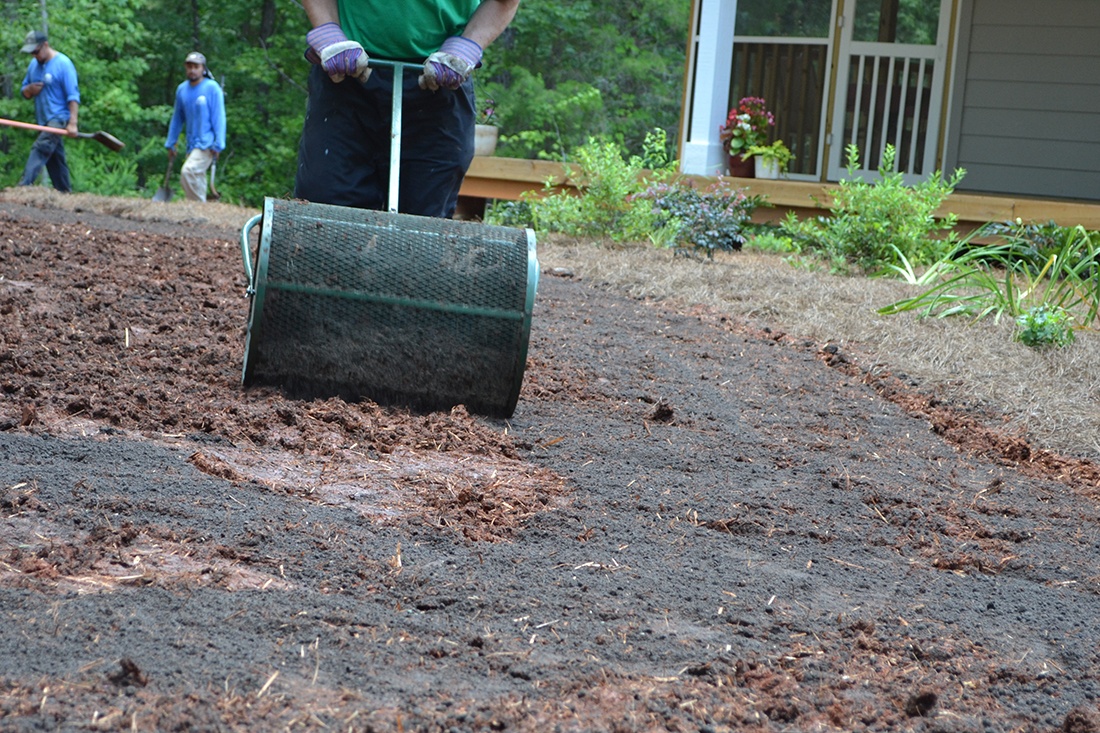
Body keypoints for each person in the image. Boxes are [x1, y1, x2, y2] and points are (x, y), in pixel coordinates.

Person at [294, 0, 520, 218]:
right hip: (346, 72)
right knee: (325, 209)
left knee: (424, 223)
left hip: (440, 79)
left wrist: (468, 44)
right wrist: (329, 32)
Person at [17, 30, 80, 193]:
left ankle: (23, 186)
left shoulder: (63, 64)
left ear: (45, 45)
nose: (34, 56)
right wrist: (29, 89)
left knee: (41, 147)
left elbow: (73, 96)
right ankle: (65, 193)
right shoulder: (33, 66)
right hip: (42, 120)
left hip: (58, 118)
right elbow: (24, 91)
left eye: (36, 52)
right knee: (54, 159)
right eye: (31, 53)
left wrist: (73, 123)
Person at [165, 52, 226, 202]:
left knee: (189, 171)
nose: (192, 70)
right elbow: (177, 118)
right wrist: (171, 142)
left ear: (203, 69)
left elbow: (219, 117)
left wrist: (219, 144)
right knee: (196, 177)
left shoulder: (212, 88)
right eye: (189, 66)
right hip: (191, 144)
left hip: (207, 143)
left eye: (196, 67)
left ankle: (197, 207)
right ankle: (201, 212)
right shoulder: (182, 89)